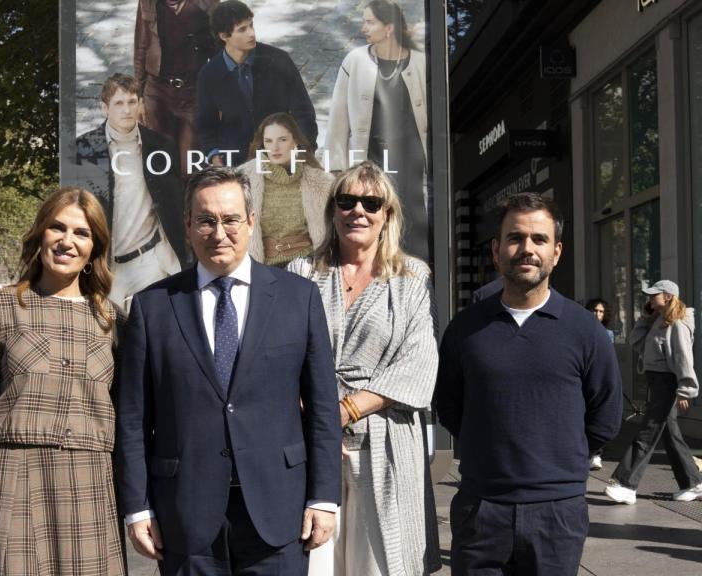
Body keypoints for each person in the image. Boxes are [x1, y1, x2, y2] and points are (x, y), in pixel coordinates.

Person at [116, 166, 341, 574]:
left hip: (279, 512)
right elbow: (132, 419)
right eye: (205, 220)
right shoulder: (151, 307)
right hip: (184, 516)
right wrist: (136, 507)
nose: (219, 232)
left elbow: (324, 408)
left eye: (231, 219)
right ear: (187, 226)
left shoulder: (299, 299)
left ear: (251, 222)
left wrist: (324, 497)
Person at [433, 192, 622, 575]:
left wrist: (556, 462)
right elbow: (450, 407)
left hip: (557, 512)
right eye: (515, 238)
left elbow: (605, 415)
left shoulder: (585, 331)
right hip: (481, 506)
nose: (527, 249)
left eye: (539, 239)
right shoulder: (465, 329)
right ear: (495, 250)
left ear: (556, 252)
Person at [0, 188, 125, 575]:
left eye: (81, 233)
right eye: (57, 227)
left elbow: (124, 406)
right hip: (16, 471)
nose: (67, 241)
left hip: (90, 478)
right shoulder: (2, 306)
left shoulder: (113, 320)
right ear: (40, 234)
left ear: (94, 247)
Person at [288, 161, 440, 576]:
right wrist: (318, 419)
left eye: (372, 203)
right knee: (314, 561)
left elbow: (419, 362)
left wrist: (342, 411)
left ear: (386, 214)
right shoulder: (301, 274)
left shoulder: (411, 278)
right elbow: (282, 359)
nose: (359, 210)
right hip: (313, 443)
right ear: (332, 210)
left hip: (386, 442)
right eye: (347, 200)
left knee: (379, 562)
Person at [324, 0, 429, 262]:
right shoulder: (355, 60)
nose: (364, 28)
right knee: (373, 220)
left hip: (411, 163)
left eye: (370, 22)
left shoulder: (420, 62)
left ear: (389, 28)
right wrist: (337, 167)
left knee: (412, 224)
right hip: (371, 160)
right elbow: (338, 118)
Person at [74, 73, 187, 309]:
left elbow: (175, 202)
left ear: (140, 104)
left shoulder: (160, 146)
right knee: (110, 340)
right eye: (118, 103)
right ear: (105, 108)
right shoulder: (84, 148)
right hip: (106, 266)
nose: (126, 109)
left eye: (132, 102)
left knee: (153, 338)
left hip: (150, 260)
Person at [605, 280, 702, 504]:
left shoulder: (678, 323)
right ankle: (693, 482)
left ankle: (625, 483)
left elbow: (683, 358)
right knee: (669, 434)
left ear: (667, 296)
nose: (649, 298)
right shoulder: (659, 320)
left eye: (653, 295)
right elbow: (635, 341)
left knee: (648, 432)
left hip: (666, 383)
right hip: (657, 382)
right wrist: (645, 317)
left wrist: (685, 389)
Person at [196, 0, 318, 167]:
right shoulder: (209, 74)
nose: (251, 33)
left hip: (281, 157)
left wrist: (301, 151)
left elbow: (304, 112)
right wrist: (214, 157)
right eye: (242, 29)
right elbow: (205, 126)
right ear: (224, 36)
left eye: (251, 25)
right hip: (236, 162)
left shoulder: (278, 60)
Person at [134, 0, 219, 178]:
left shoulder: (208, 3)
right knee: (161, 166)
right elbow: (141, 47)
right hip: (157, 92)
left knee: (189, 167)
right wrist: (139, 97)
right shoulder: (147, 3)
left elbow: (219, 50)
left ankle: (189, 205)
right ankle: (164, 206)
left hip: (192, 91)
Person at [238, 113, 335, 267]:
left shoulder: (320, 182)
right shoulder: (243, 179)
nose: (275, 148)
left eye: (282, 140)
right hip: (261, 270)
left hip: (307, 267)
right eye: (268, 141)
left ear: (295, 140)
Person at [585, 298, 614, 471]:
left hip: (600, 378)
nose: (597, 314)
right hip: (585, 378)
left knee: (599, 415)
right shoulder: (582, 330)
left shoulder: (607, 334)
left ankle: (596, 454)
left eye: (601, 311)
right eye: (595, 310)